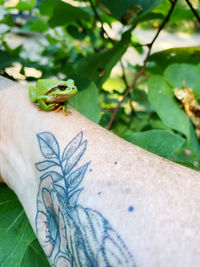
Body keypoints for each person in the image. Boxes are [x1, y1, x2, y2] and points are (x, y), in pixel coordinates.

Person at [0, 75, 200, 267]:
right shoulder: (48, 94)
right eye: (64, 88)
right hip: (38, 96)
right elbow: (40, 99)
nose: (71, 90)